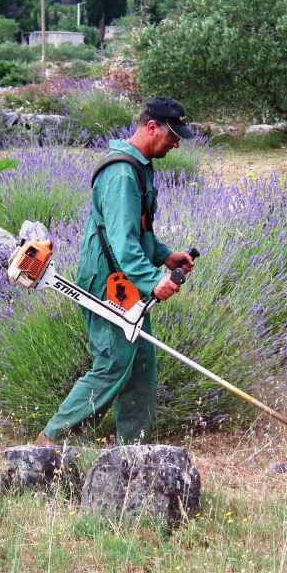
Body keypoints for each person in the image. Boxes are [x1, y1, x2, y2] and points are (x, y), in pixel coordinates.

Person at [36, 97, 196, 447]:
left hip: (124, 278)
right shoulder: (122, 173)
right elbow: (123, 246)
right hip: (107, 280)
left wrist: (166, 256)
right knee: (113, 362)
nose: (176, 143)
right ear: (151, 126)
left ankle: (133, 454)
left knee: (139, 367)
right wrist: (155, 281)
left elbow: (137, 233)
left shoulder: (140, 167)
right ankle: (48, 445)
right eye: (172, 135)